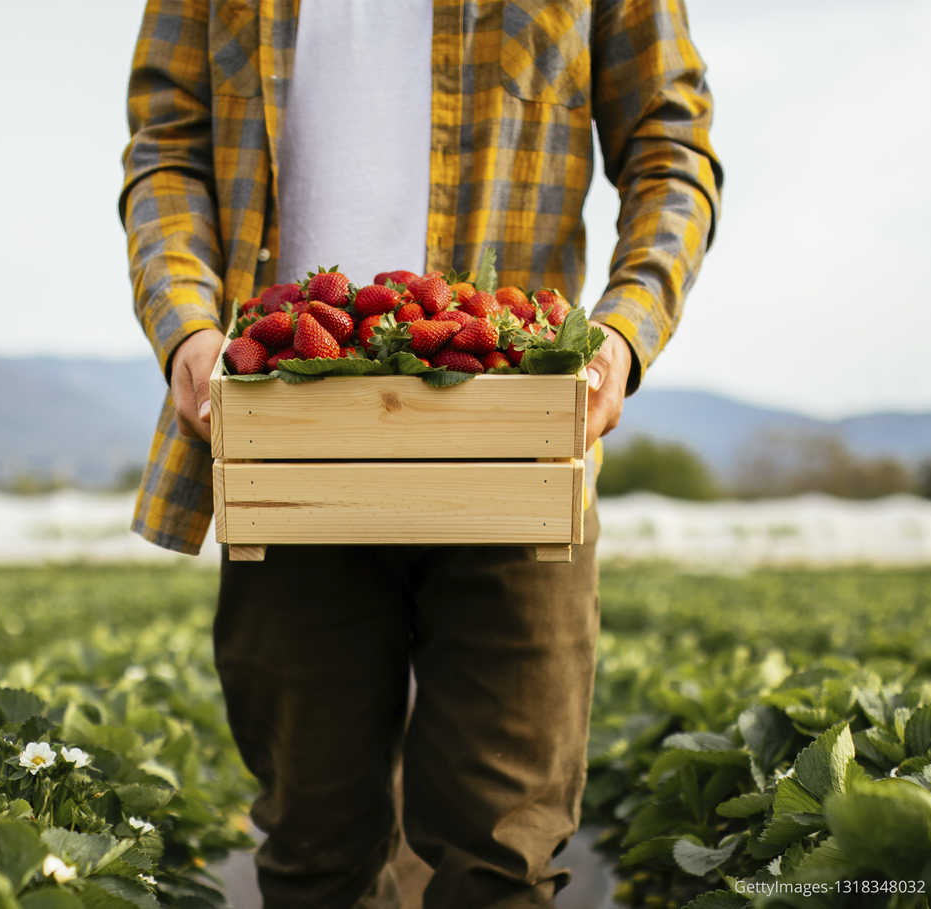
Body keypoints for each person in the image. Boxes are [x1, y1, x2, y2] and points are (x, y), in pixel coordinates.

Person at [119, 1, 721, 906]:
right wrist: (188, 326)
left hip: (514, 439)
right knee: (314, 854)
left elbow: (672, 150)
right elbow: (167, 150)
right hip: (291, 438)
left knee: (502, 860)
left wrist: (623, 333)